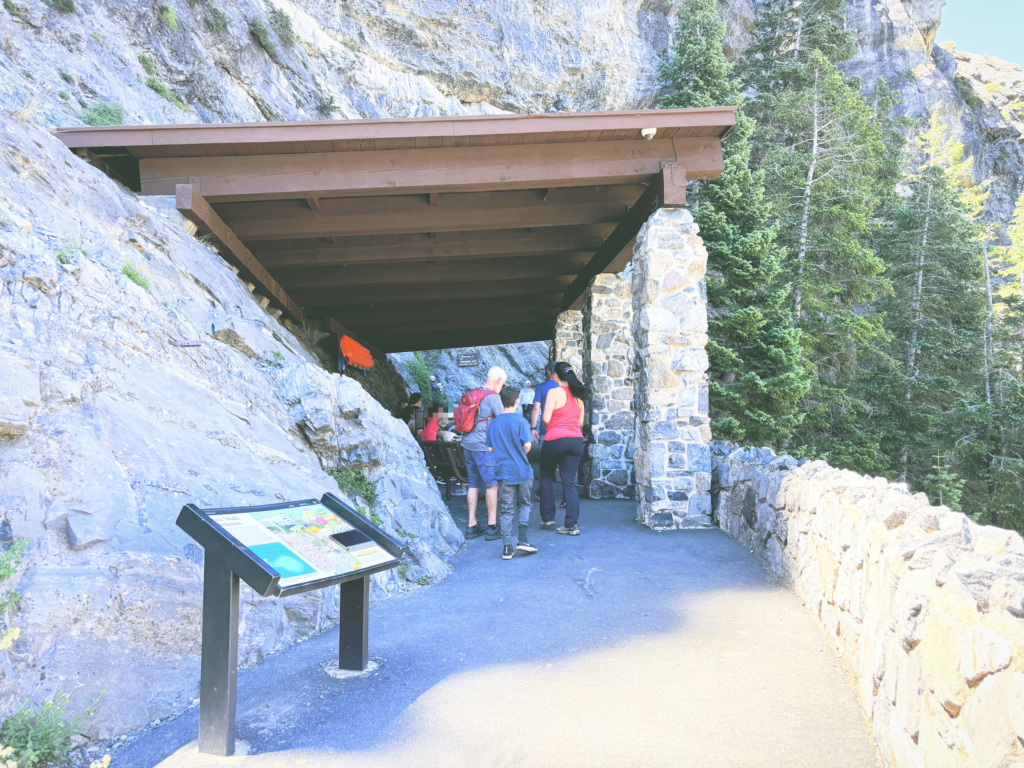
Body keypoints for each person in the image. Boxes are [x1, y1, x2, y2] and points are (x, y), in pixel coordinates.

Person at [486, 387, 537, 560]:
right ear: (517, 401)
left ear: (501, 401)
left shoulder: (494, 423)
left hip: (504, 472)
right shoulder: (521, 421)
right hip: (522, 471)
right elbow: (528, 445)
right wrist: (519, 453)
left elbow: (491, 448)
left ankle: (507, 548)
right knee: (524, 504)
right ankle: (522, 539)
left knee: (506, 511)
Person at [539, 362, 586, 535]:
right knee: (569, 482)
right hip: (575, 442)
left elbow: (545, 418)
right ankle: (572, 525)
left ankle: (548, 517)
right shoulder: (579, 398)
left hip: (556, 439)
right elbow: (580, 423)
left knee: (545, 475)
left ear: (555, 376)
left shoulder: (554, 392)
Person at [460, 366, 506, 540]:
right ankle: (492, 526)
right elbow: (503, 421)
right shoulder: (493, 397)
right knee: (491, 483)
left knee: (473, 483)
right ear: (499, 380)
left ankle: (472, 526)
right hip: (482, 446)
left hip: (468, 444)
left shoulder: (472, 393)